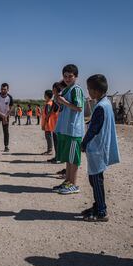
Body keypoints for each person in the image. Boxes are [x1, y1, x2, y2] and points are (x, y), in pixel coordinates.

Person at [81, 74, 120, 222]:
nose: (88, 92)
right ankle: (97, 206)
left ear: (96, 91)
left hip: (96, 149)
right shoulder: (105, 103)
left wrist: (83, 143)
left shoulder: (101, 106)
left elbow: (94, 130)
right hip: (99, 148)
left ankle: (102, 211)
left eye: (89, 89)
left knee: (96, 181)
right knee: (95, 179)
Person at [52, 64, 85, 194]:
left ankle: (74, 184)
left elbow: (79, 107)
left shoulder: (76, 90)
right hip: (65, 130)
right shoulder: (66, 90)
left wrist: (63, 101)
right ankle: (68, 181)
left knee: (73, 159)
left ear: (76, 76)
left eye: (70, 76)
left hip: (73, 130)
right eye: (65, 76)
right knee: (68, 158)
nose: (67, 78)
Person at [47, 81, 67, 164]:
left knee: (59, 141)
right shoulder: (56, 98)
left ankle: (60, 157)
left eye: (54, 89)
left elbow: (56, 108)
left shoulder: (60, 97)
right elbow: (53, 108)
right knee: (56, 141)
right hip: (56, 123)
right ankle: (57, 156)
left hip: (59, 123)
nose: (53, 90)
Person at [41, 90, 59, 156]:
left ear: (47, 96)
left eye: (45, 94)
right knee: (49, 136)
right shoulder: (51, 103)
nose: (44, 96)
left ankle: (49, 150)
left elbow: (47, 115)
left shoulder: (48, 104)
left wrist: (44, 124)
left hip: (48, 123)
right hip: (51, 123)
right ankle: (50, 150)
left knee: (48, 136)